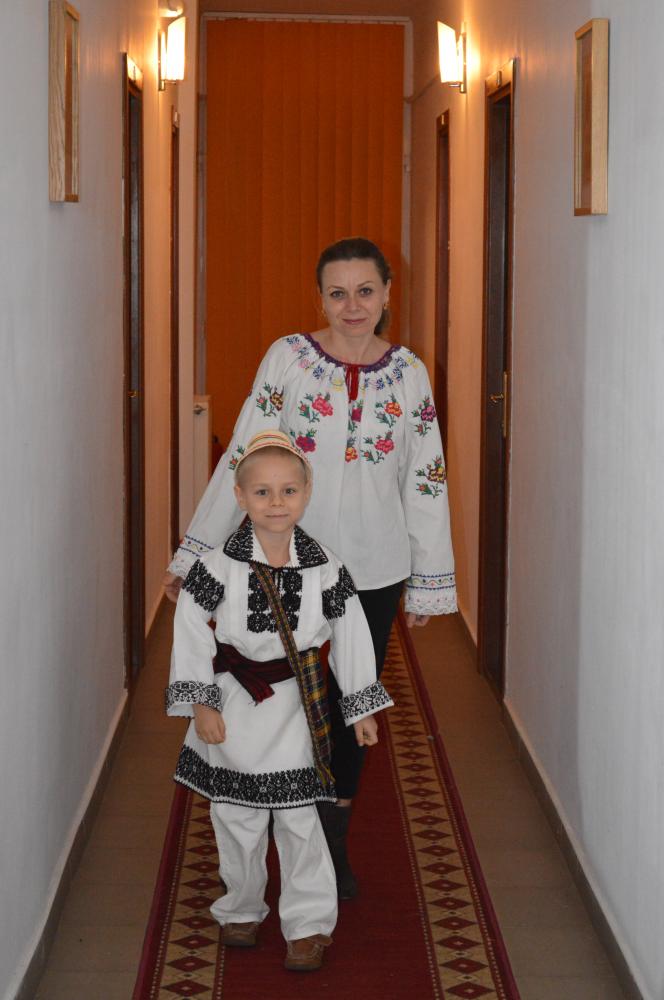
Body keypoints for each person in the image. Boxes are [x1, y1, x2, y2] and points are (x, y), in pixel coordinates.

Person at [164, 237, 457, 898]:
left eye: (365, 291)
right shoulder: (289, 359)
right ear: (320, 297)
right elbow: (244, 454)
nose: (353, 306)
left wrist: (428, 579)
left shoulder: (409, 372)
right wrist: (198, 552)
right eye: (338, 293)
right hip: (285, 559)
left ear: (387, 293)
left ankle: (331, 837)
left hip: (374, 570)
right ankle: (259, 818)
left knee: (352, 698)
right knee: (279, 691)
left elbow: (426, 477)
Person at [166, 430, 393, 972]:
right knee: (236, 815)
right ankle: (241, 907)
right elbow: (191, 628)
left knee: (299, 820)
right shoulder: (217, 565)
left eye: (288, 490)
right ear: (240, 497)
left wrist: (360, 707)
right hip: (235, 706)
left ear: (306, 493)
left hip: (298, 707)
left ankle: (309, 924)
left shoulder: (325, 567)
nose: (276, 503)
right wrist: (202, 703)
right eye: (262, 492)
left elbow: (351, 633)